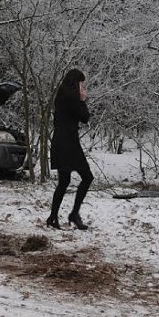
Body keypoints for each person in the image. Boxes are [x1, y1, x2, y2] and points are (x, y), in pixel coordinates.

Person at [47, 69, 93, 230]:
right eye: (82, 83)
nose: (83, 87)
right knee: (87, 177)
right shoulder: (72, 98)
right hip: (69, 144)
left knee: (64, 181)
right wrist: (82, 100)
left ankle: (53, 216)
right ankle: (74, 213)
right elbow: (85, 117)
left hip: (59, 142)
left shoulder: (61, 95)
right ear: (76, 83)